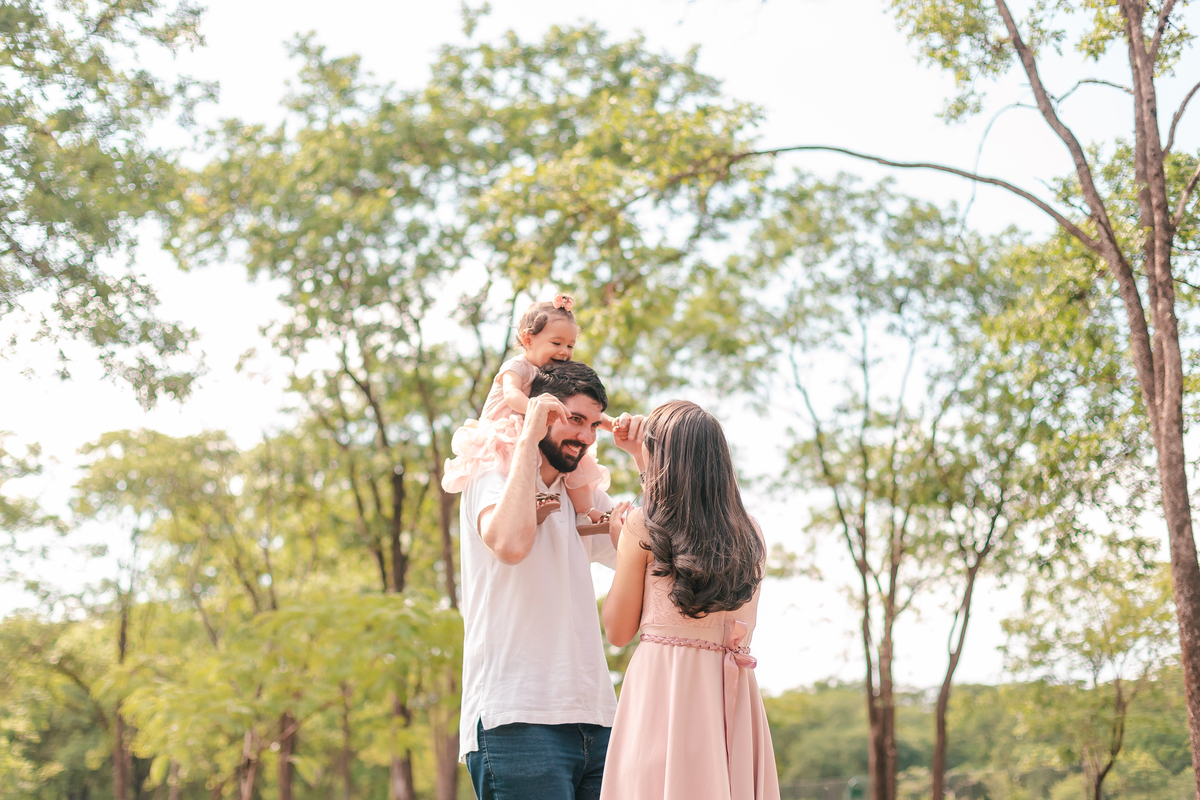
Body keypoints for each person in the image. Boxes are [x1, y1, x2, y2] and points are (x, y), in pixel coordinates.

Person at [458, 359, 646, 800]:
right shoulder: (490, 475)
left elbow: (653, 554)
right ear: (538, 413)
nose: (586, 436)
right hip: (516, 722)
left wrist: (644, 461)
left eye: (593, 425)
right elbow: (509, 543)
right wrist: (528, 435)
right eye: (574, 419)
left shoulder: (582, 496)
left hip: (598, 720)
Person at [600, 400, 780, 800]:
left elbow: (617, 630)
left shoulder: (641, 527)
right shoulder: (752, 534)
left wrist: (622, 546)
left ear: (662, 458)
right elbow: (687, 527)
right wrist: (640, 456)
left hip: (665, 689)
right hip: (730, 693)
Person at [442, 294, 615, 533]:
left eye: (570, 346)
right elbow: (511, 394)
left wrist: (611, 424)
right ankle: (533, 499)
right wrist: (536, 410)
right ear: (528, 339)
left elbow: (580, 411)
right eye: (556, 343)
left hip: (532, 425)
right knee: (522, 451)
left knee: (579, 461)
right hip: (505, 427)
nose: (564, 352)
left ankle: (586, 513)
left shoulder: (553, 376)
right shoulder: (516, 366)